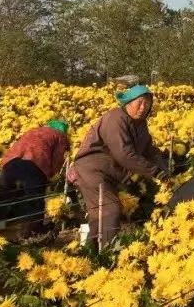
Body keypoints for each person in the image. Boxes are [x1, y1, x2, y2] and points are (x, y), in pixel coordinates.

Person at [70, 83, 167, 247]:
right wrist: (155, 172)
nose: (143, 107)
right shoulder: (115, 118)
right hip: (93, 170)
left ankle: (91, 253)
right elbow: (124, 154)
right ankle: (108, 253)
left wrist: (164, 167)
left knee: (99, 216)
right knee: (110, 210)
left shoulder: (140, 124)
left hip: (109, 173)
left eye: (147, 104)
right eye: (140, 103)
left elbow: (149, 149)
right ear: (128, 102)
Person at [0, 119, 70, 225]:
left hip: (10, 161)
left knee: (4, 192)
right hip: (35, 163)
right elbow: (57, 158)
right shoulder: (60, 136)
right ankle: (33, 230)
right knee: (34, 199)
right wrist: (51, 176)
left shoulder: (34, 130)